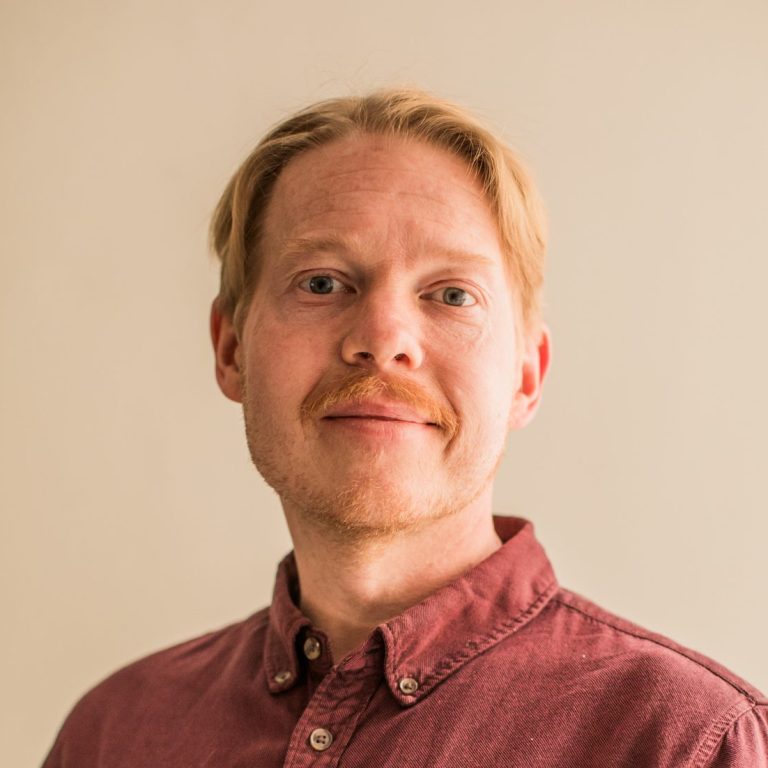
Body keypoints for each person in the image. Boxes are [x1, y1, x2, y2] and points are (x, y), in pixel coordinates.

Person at [42, 88, 767, 767]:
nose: (383, 338)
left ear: (526, 375)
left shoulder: (688, 744)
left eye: (451, 295)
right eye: (322, 282)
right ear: (232, 349)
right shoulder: (113, 734)